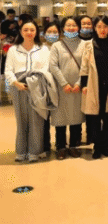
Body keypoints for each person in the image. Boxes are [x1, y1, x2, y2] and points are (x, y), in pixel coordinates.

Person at [5, 20, 52, 162]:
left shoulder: (43, 49)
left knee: (36, 120)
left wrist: (34, 82)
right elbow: (8, 70)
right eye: (26, 30)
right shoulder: (13, 50)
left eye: (32, 30)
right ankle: (21, 151)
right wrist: (15, 83)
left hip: (37, 86)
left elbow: (46, 69)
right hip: (18, 86)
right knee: (21, 119)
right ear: (21, 32)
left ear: (37, 32)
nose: (29, 32)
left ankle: (34, 151)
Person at [80, 17, 108, 160]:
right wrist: (84, 84)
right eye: (99, 26)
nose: (103, 30)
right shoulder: (89, 45)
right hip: (94, 85)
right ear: (95, 28)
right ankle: (97, 146)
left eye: (105, 27)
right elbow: (84, 66)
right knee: (94, 118)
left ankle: (105, 146)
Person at [48, 17, 85, 160]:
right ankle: (61, 147)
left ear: (78, 27)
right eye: (68, 25)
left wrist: (79, 83)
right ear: (63, 28)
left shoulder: (84, 44)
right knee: (60, 118)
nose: (71, 28)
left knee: (76, 117)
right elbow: (53, 66)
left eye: (74, 25)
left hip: (77, 88)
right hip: (61, 88)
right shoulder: (57, 46)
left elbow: (86, 66)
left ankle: (74, 146)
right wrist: (64, 83)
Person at [41, 21, 60, 154]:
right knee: (44, 118)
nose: (52, 34)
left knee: (59, 116)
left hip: (59, 86)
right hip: (45, 87)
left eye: (55, 32)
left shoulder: (62, 47)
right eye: (49, 32)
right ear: (44, 34)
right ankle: (45, 145)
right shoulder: (40, 48)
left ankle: (60, 144)